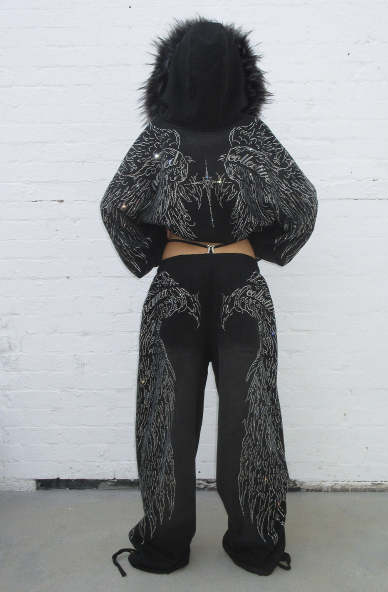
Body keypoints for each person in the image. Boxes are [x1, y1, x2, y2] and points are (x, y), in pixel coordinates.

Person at [101, 15, 318, 577]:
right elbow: (303, 202)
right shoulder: (254, 138)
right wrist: (260, 246)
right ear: (241, 75)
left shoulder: (158, 138)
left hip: (177, 283)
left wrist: (156, 250)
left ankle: (165, 545)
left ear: (168, 73)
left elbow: (115, 205)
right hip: (241, 283)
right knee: (251, 414)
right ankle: (254, 543)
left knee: (166, 414)